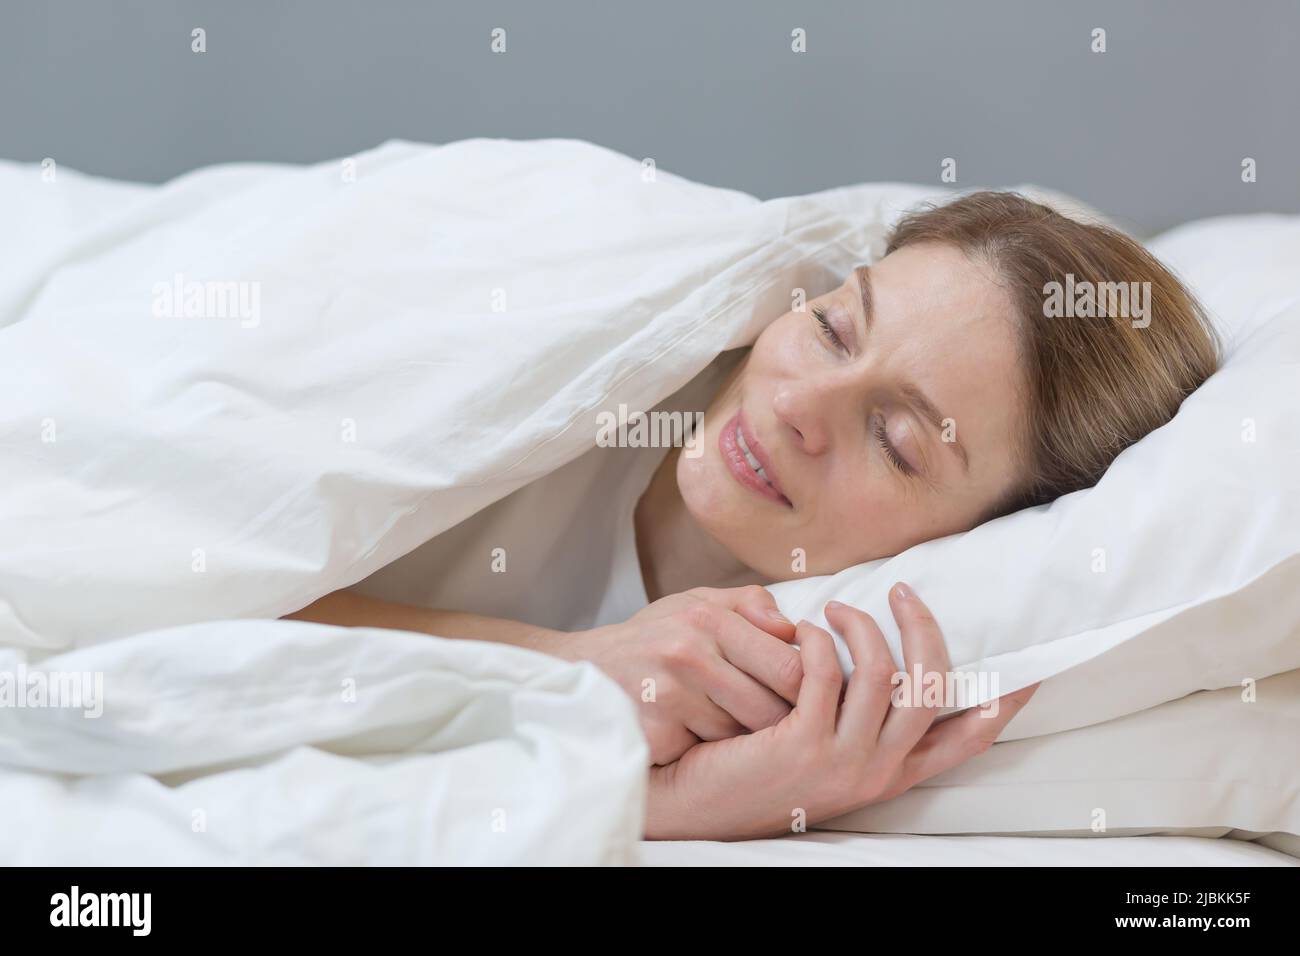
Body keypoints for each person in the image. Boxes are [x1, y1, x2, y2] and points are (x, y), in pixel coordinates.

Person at [288, 191, 1221, 839]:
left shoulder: (806, 687)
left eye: (895, 441)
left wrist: (662, 808)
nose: (797, 406)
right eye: (833, 329)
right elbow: (173, 600)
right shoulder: (573, 378)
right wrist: (568, 671)